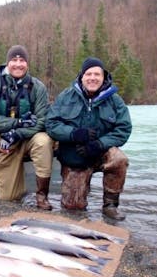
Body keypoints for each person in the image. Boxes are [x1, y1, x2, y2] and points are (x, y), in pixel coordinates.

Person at [45, 57, 132, 220]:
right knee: (73, 210)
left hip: (101, 152)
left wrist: (99, 144)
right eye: (89, 74)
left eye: (97, 74)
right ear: (82, 76)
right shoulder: (66, 97)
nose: (93, 78)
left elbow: (124, 129)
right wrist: (74, 134)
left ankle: (110, 205)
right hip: (75, 155)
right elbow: (51, 124)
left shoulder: (115, 100)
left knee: (119, 159)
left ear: (103, 77)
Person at [0, 45, 54, 210]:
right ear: (7, 63)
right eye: (14, 60)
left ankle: (42, 196)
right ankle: (18, 191)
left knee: (44, 141)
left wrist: (17, 133)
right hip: (2, 140)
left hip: (29, 137)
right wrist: (17, 123)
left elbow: (42, 120)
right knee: (8, 199)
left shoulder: (38, 87)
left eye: (22, 60)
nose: (18, 64)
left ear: (27, 64)